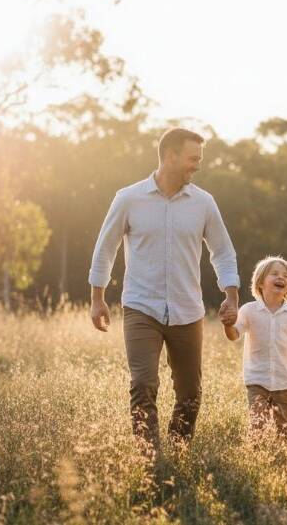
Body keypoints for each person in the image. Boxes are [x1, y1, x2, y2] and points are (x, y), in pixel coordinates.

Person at [88, 127, 240, 454]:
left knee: (190, 393)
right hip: (142, 308)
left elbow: (223, 252)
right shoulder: (128, 198)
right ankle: (149, 460)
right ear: (169, 156)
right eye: (192, 159)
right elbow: (105, 249)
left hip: (187, 311)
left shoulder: (203, 203)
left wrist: (231, 294)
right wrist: (97, 299)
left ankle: (178, 453)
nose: (196, 166)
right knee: (143, 384)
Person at [222, 256, 287, 440]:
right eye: (275, 274)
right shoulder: (249, 310)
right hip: (257, 380)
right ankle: (256, 458)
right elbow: (234, 335)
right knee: (258, 426)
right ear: (260, 282)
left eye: (285, 276)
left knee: (284, 431)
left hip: (284, 381)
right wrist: (227, 325)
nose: (281, 278)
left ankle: (282, 461)